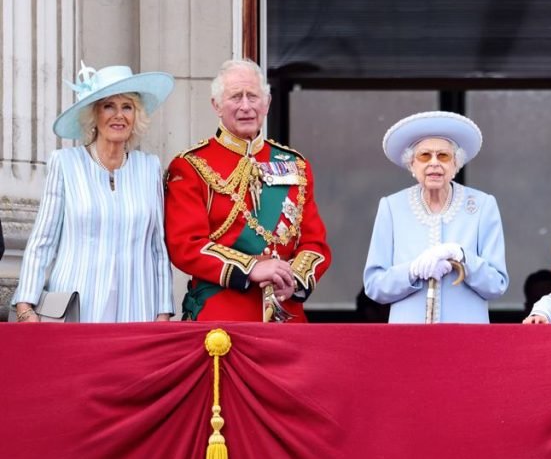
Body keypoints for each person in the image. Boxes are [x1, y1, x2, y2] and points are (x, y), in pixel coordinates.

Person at [164, 59, 331, 322]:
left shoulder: (295, 165)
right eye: (235, 97)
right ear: (216, 105)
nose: (245, 106)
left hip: (286, 314)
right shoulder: (191, 166)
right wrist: (251, 268)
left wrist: (294, 281)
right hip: (221, 314)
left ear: (266, 104)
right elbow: (186, 245)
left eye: (253, 96)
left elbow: (315, 243)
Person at [12, 64, 175, 323]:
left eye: (127, 107)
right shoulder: (65, 163)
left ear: (136, 116)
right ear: (94, 114)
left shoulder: (149, 167)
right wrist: (25, 307)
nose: (118, 115)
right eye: (109, 105)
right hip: (76, 309)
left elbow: (157, 247)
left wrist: (163, 312)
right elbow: (43, 240)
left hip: (136, 309)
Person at [363, 111, 508, 323]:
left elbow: (497, 285)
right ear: (412, 164)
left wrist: (461, 256)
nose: (434, 163)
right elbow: (375, 286)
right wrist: (411, 271)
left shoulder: (483, 205)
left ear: (455, 165)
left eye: (443, 156)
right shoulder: (391, 207)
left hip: (467, 337)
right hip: (409, 337)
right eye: (424, 156)